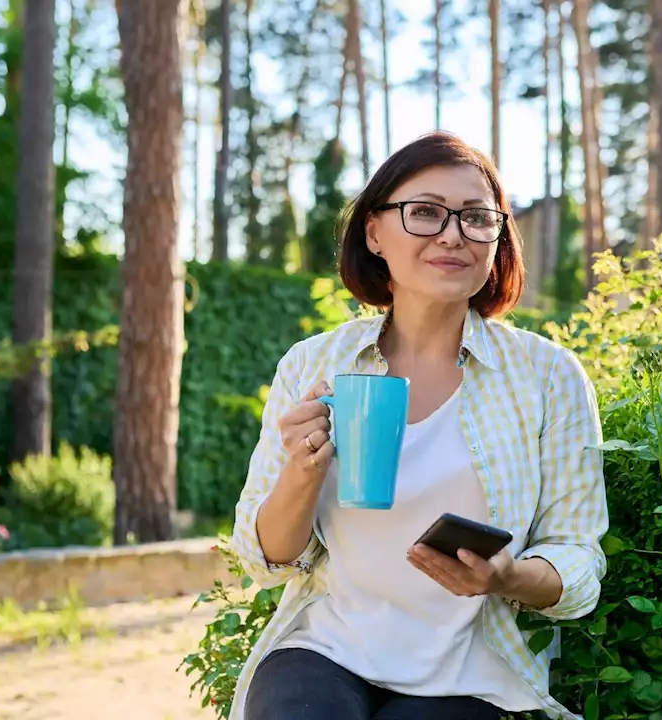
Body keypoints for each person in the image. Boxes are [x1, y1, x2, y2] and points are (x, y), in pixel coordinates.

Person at [228, 131, 608, 720]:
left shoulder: (547, 375)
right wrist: (303, 472)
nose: (453, 235)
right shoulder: (313, 364)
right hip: (328, 646)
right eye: (425, 213)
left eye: (477, 218)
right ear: (374, 232)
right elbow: (265, 558)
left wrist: (509, 577)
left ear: (497, 238)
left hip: (474, 667)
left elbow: (579, 557)